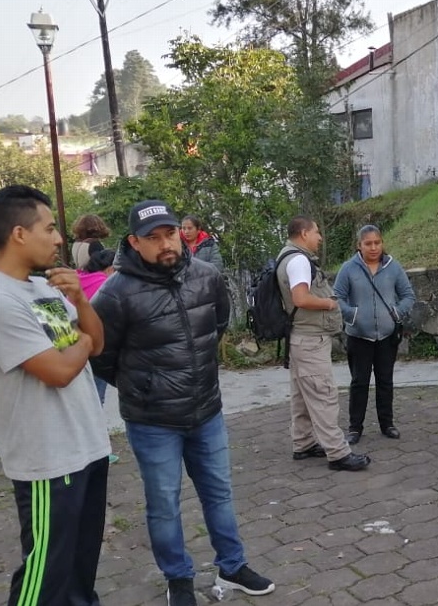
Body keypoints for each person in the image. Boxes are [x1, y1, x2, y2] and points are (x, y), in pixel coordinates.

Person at [91, 200, 274, 606]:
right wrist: (145, 387)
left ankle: (232, 565)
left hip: (207, 411)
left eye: (170, 233)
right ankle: (178, 578)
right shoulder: (115, 294)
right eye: (153, 238)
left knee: (219, 494)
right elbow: (101, 356)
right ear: (134, 243)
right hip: (153, 422)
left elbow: (217, 325)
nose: (165, 244)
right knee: (164, 506)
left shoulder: (207, 276)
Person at [0, 185, 111, 606]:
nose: (59, 238)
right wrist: (81, 342)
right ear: (19, 234)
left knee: (79, 572)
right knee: (44, 578)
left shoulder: (45, 288)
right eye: (50, 228)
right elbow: (58, 372)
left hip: (88, 446)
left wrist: (79, 300)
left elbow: (97, 343)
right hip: (49, 459)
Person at [277, 217, 372, 470]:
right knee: (323, 396)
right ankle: (338, 454)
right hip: (310, 340)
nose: (320, 237)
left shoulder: (285, 255)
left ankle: (303, 443)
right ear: (304, 233)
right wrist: (329, 303)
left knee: (301, 395)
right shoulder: (299, 260)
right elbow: (301, 298)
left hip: (299, 338)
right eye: (316, 232)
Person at [334, 224, 416, 445]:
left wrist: (396, 312)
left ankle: (387, 424)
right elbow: (337, 297)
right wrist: (352, 314)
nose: (373, 248)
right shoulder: (348, 269)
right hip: (358, 337)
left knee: (385, 380)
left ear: (382, 243)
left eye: (377, 243)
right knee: (359, 382)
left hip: (387, 336)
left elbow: (408, 295)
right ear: (359, 245)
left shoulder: (393, 267)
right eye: (368, 243)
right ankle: (355, 428)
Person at [77, 248, 118, 406]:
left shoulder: (79, 280)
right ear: (110, 269)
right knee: (96, 397)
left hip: (74, 345)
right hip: (96, 346)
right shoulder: (104, 286)